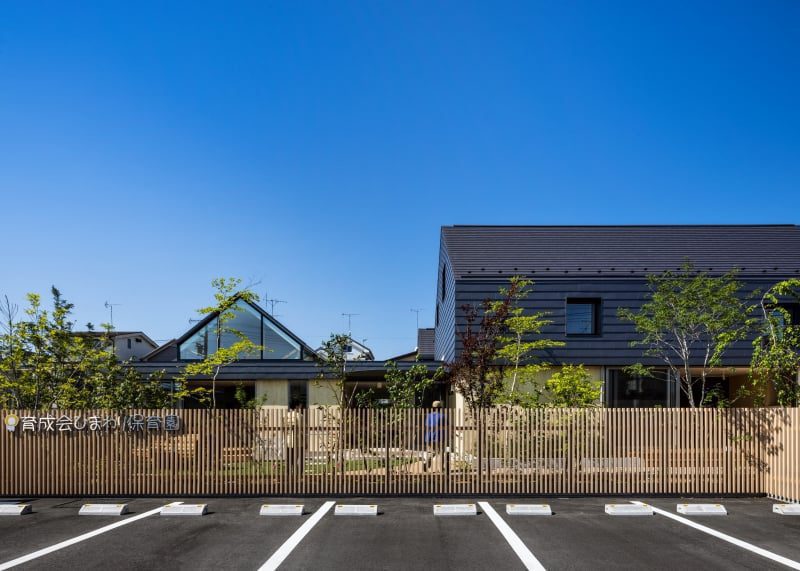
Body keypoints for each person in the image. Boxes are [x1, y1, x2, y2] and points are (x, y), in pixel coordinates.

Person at [424, 401, 445, 472]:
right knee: (441, 453)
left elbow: (426, 425)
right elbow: (447, 427)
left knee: (431, 452)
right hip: (439, 437)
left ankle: (426, 463)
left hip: (429, 437)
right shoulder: (443, 416)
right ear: (440, 408)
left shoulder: (429, 416)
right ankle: (441, 469)